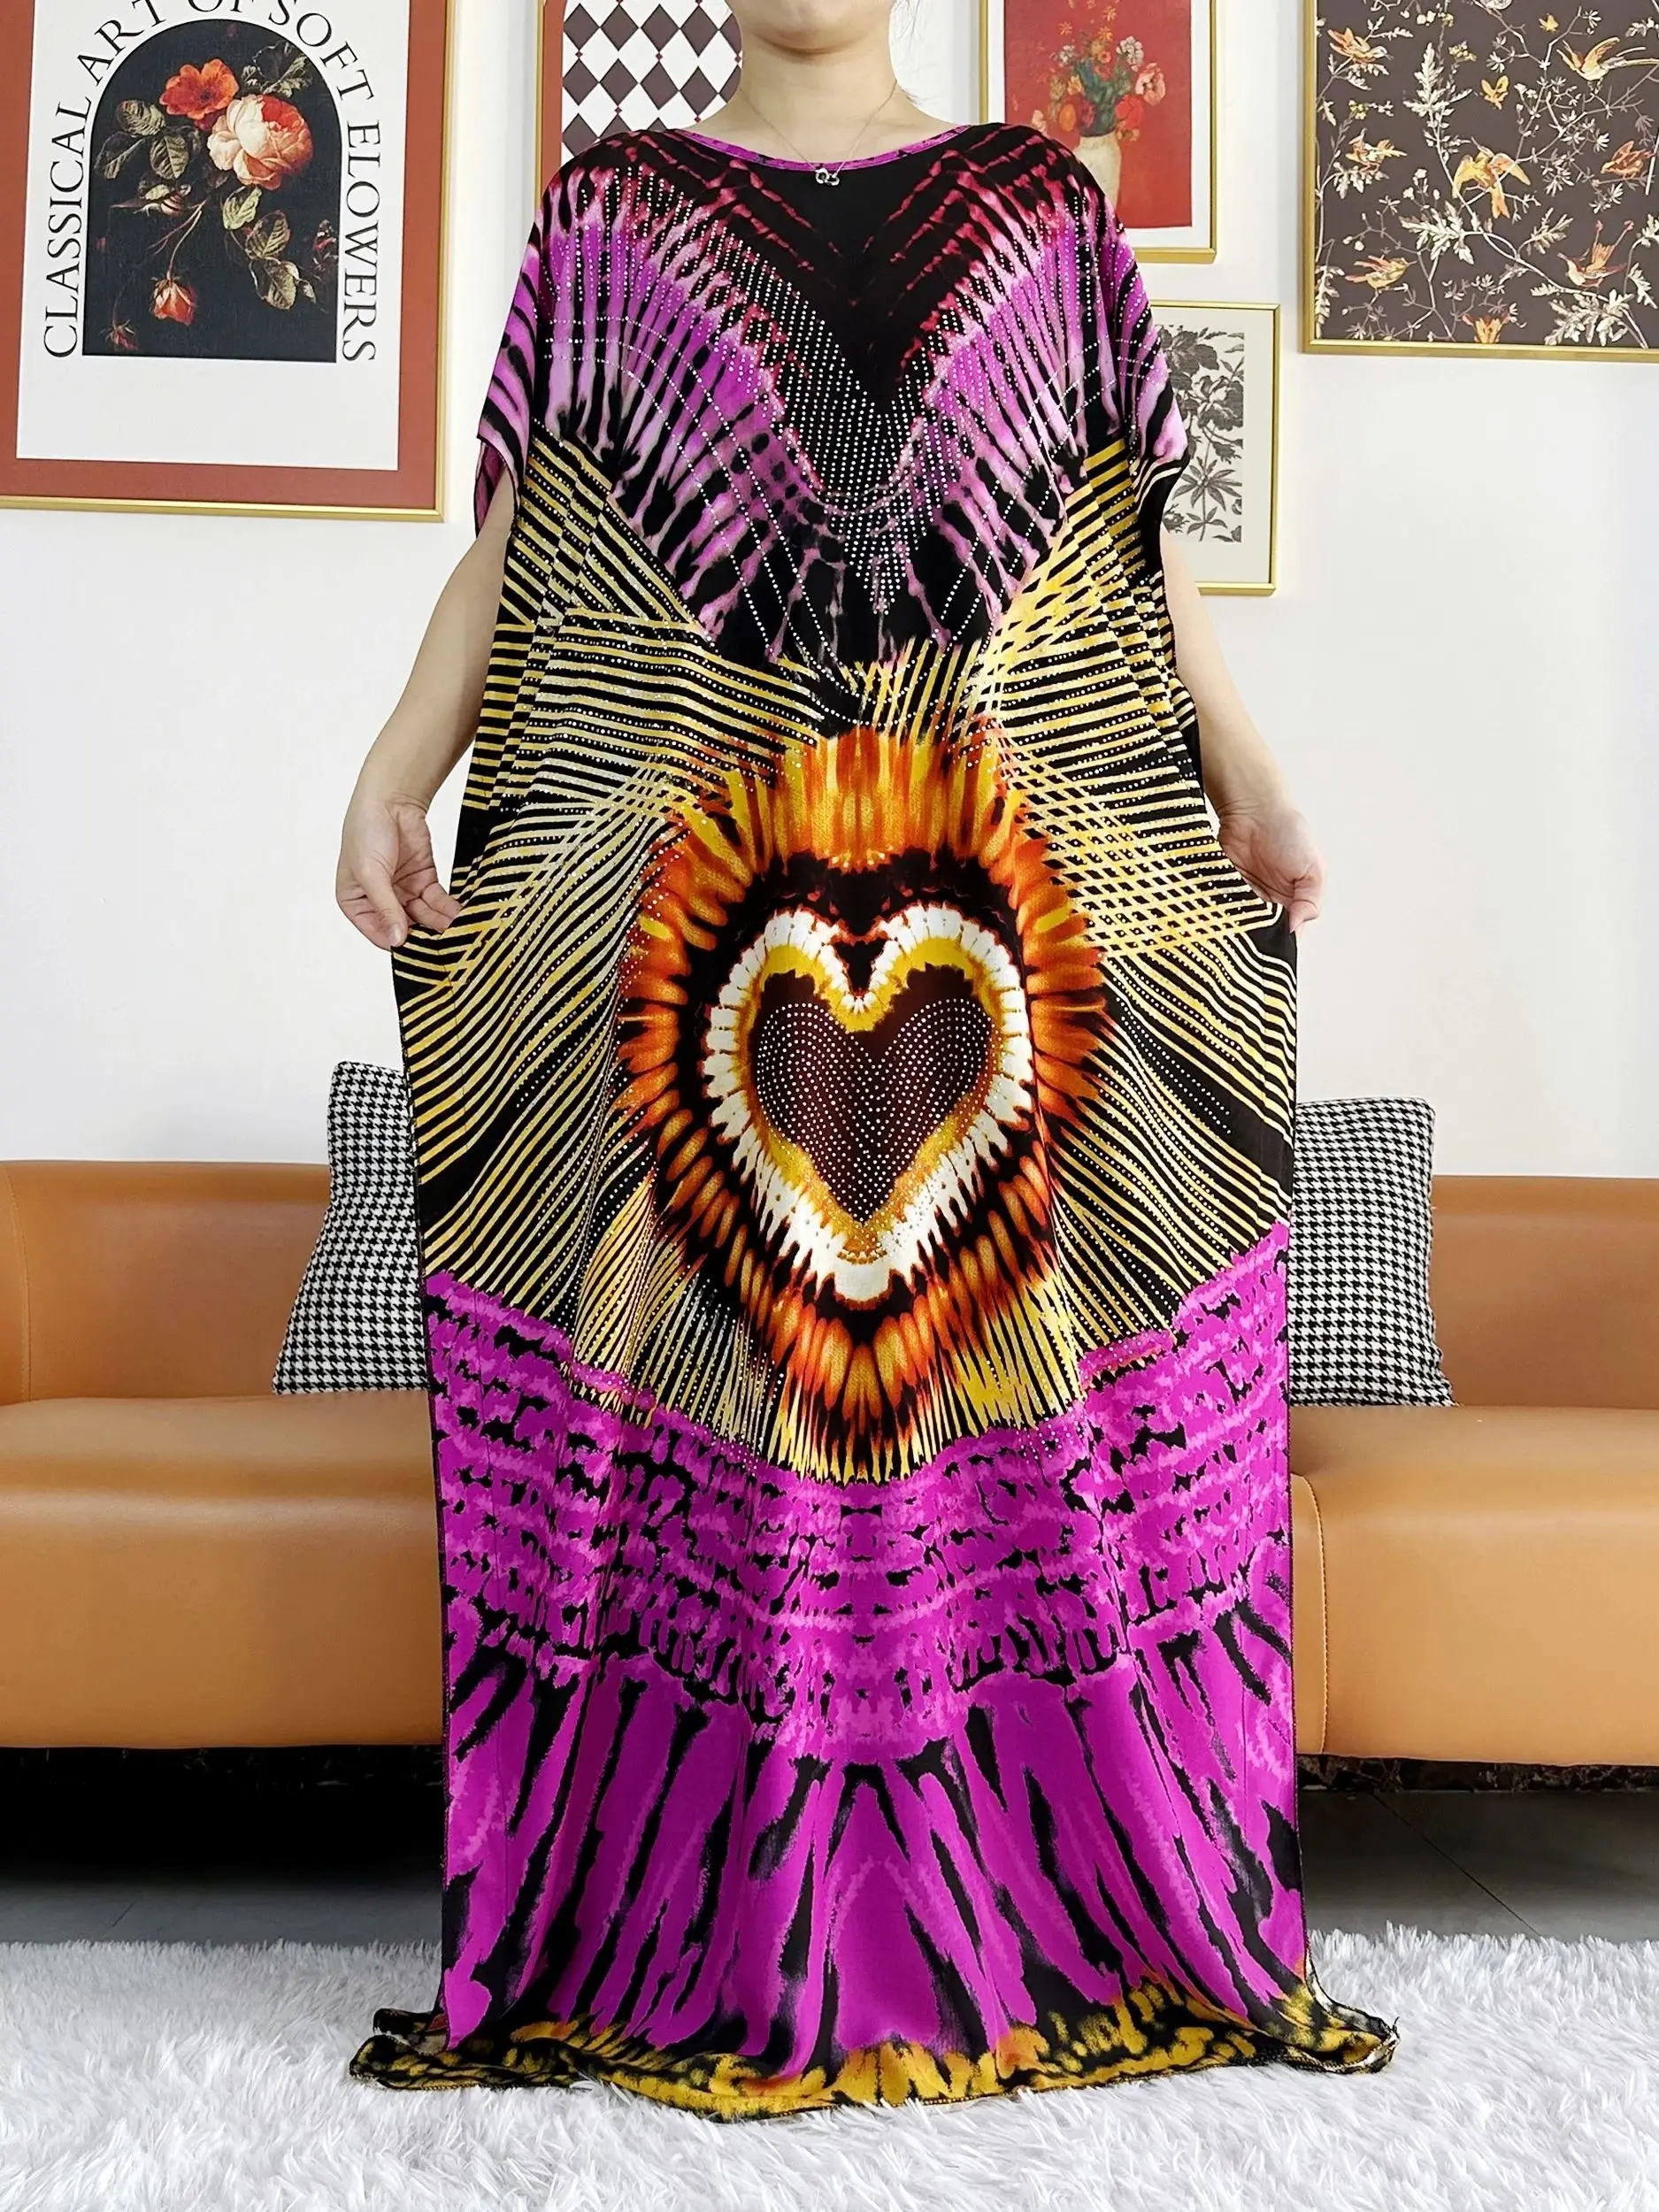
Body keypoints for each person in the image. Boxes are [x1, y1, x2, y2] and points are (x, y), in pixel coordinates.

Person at [339, 0, 1398, 2118]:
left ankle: (1026, 1896)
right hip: (701, 963)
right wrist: (394, 763)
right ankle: (708, 1919)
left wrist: (1248, 772)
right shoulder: (606, 215)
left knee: (994, 1394)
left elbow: (1131, 562)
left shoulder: (1038, 208)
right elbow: (522, 547)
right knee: (722, 1403)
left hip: (988, 943)